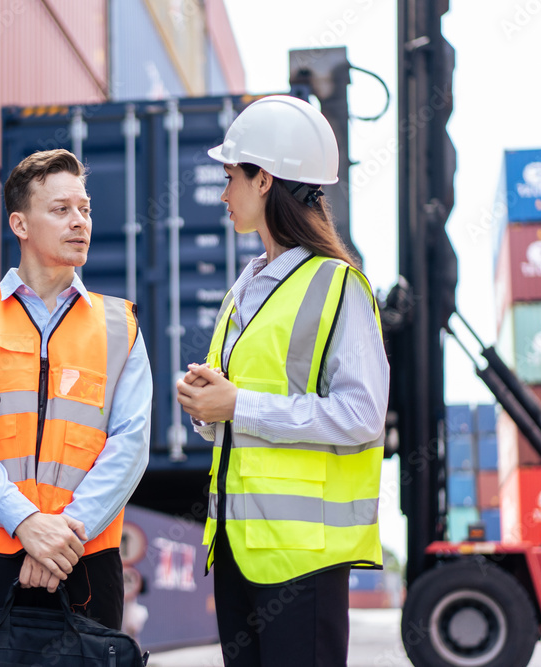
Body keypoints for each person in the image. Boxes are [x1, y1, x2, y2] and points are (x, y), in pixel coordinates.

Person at [176, 96, 389, 667]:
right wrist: (208, 407)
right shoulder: (242, 289)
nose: (224, 194)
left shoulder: (337, 285)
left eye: (230, 178)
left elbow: (364, 416)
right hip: (239, 550)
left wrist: (238, 404)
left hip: (302, 560)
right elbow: (239, 422)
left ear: (263, 178)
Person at [0, 148, 152, 630]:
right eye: (61, 210)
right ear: (20, 225)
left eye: (85, 209)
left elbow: (130, 445)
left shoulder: (120, 327)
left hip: (82, 559)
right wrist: (25, 524)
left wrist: (61, 539)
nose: (79, 222)